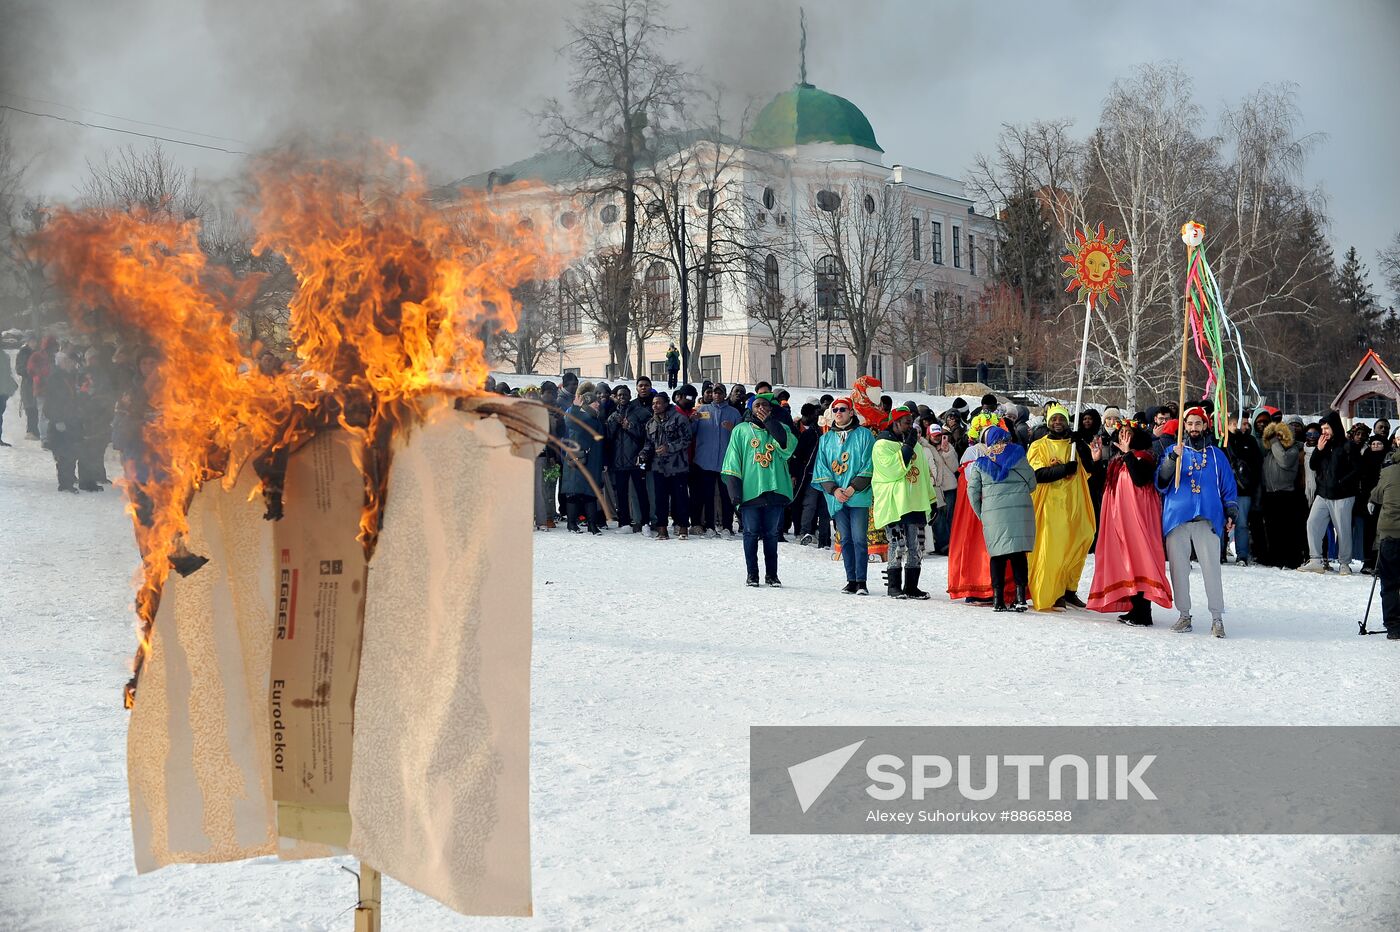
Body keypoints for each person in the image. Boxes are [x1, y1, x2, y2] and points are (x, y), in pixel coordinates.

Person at [1158, 407, 1238, 637]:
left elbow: (1228, 488)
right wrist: (1172, 458)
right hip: (1177, 519)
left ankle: (1217, 618)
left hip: (1207, 519)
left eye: (1198, 423)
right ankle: (1184, 615)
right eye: (1190, 424)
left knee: (1212, 569)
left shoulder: (1216, 455)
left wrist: (1231, 512)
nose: (1193, 428)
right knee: (1179, 570)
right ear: (1184, 427)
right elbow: (1162, 480)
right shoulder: (1174, 451)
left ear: (1205, 426)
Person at [1088, 422, 1171, 625]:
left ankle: (1144, 613)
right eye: (1121, 433)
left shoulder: (1145, 456)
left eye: (1128, 433)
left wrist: (1127, 453)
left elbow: (1140, 478)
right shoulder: (1117, 461)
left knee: (1139, 556)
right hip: (1118, 516)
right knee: (1125, 559)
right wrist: (1097, 462)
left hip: (1138, 515)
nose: (1124, 436)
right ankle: (1135, 609)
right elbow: (1100, 484)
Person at [1027, 403, 1100, 610]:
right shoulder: (1038, 445)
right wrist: (1062, 470)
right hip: (1051, 503)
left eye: (1061, 419)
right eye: (1054, 419)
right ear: (1048, 422)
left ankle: (1069, 589)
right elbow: (1037, 474)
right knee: (1054, 548)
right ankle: (1054, 592)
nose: (1057, 422)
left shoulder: (1074, 444)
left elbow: (1089, 469)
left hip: (1075, 501)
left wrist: (1083, 447)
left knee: (1082, 539)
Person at [722, 394, 797, 587]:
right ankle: (752, 575)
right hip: (750, 491)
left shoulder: (782, 428)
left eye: (765, 405)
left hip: (775, 489)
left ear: (771, 409)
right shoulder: (741, 430)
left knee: (772, 534)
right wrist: (734, 493)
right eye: (757, 405)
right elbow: (732, 461)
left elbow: (786, 446)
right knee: (751, 533)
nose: (761, 407)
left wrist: (770, 422)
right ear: (750, 409)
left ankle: (772, 575)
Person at [966, 425, 1036, 612]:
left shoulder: (981, 463)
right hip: (1021, 512)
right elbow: (1032, 484)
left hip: (993, 514)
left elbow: (972, 492)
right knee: (1018, 555)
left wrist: (982, 513)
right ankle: (1020, 598)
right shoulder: (1020, 456)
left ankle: (998, 600)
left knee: (997, 556)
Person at [812, 396, 875, 594]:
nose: (838, 413)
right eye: (835, 410)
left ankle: (862, 581)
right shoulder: (825, 439)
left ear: (851, 412)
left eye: (842, 409)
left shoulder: (865, 435)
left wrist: (852, 488)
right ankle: (851, 580)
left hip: (858, 495)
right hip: (836, 496)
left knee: (859, 538)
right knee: (845, 539)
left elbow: (869, 464)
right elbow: (821, 467)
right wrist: (834, 489)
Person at [872, 405, 934, 599]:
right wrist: (908, 446)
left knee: (916, 545)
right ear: (896, 423)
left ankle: (912, 587)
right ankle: (894, 586)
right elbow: (894, 470)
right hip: (895, 503)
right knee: (897, 544)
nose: (911, 426)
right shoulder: (882, 444)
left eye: (912, 422)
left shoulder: (913, 443)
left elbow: (923, 473)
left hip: (914, 501)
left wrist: (931, 500)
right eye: (907, 422)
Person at [1301, 411, 1359, 574]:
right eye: (1322, 428)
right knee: (1312, 523)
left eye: (1326, 428)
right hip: (1323, 493)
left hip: (1343, 495)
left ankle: (1344, 563)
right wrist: (1318, 449)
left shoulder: (1348, 446)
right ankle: (1316, 560)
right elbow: (1312, 466)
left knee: (1343, 529)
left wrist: (1342, 482)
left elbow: (1357, 469)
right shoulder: (1323, 445)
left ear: (1334, 427)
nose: (1324, 431)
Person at [641, 390, 694, 540]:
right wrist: (643, 454)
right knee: (660, 500)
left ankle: (683, 527)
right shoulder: (650, 423)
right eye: (653, 404)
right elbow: (648, 444)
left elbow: (687, 439)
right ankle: (662, 529)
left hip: (678, 466)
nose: (655, 406)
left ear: (666, 404)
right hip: (658, 467)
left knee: (681, 498)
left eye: (658, 403)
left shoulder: (679, 418)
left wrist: (669, 447)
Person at [693, 383, 740, 537]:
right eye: (714, 393)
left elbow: (742, 437)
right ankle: (710, 526)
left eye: (720, 393)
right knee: (707, 495)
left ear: (725, 394)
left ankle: (727, 526)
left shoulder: (733, 413)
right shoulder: (703, 410)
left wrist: (733, 428)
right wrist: (692, 420)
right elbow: (692, 432)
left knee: (727, 496)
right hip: (705, 461)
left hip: (726, 463)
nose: (717, 395)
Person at [1257, 418, 1303, 568]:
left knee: (1286, 530)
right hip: (1270, 495)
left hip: (1285, 494)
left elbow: (1283, 461)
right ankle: (1275, 558)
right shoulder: (1270, 453)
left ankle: (1290, 559)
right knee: (1272, 530)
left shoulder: (1293, 450)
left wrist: (1275, 442)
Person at [561, 388, 606, 534]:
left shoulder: (593, 418)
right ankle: (575, 524)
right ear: (587, 404)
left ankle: (585, 524)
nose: (598, 404)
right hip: (580, 461)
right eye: (595, 402)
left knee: (587, 493)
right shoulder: (584, 418)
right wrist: (574, 407)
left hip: (588, 461)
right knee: (578, 493)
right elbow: (570, 421)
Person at [605, 385, 649, 532]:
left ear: (630, 396)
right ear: (616, 397)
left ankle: (645, 522)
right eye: (619, 395)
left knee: (641, 491)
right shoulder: (612, 415)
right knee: (621, 493)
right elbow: (608, 437)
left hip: (637, 460)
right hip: (618, 462)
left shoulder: (640, 412)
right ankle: (624, 523)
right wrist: (613, 424)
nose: (622, 397)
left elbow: (646, 434)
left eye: (625, 395)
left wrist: (629, 426)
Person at [1368, 445, 1400, 639]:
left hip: (1390, 533)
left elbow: (1377, 495)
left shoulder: (1388, 471)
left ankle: (1394, 626)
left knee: (1389, 582)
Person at [1223, 416, 1263, 565]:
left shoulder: (1250, 441)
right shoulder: (1223, 440)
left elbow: (1257, 464)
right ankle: (1219, 553)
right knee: (1220, 522)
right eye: (1244, 423)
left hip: (1243, 490)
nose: (1247, 426)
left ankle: (1242, 555)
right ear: (1234, 423)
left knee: (1241, 523)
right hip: (1224, 490)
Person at [44, 352, 81, 492]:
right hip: (60, 422)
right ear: (61, 363)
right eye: (67, 361)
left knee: (71, 452)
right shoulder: (56, 378)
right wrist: (57, 420)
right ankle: (65, 484)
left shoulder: (69, 376)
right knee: (64, 453)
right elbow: (51, 403)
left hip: (71, 420)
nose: (71, 364)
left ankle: (69, 479)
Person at [925, 425, 959, 554]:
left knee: (950, 516)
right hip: (935, 487)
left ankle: (953, 544)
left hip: (949, 486)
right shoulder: (926, 449)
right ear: (929, 435)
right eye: (934, 435)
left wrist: (946, 453)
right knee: (938, 516)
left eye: (939, 435)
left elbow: (955, 467)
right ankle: (943, 544)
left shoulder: (948, 447)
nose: (937, 438)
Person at [0, 348, 17, 446]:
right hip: (3, 390)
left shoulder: (4, 355)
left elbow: (7, 373)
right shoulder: (4, 355)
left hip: (3, 390)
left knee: (0, 415)